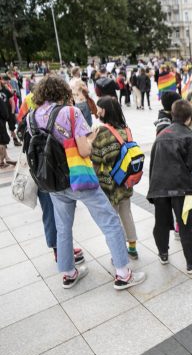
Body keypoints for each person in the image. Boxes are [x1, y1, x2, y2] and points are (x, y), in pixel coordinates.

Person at [27, 75, 145, 290]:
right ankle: (123, 273)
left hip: (52, 181)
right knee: (110, 221)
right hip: (78, 178)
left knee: (63, 228)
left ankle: (69, 273)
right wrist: (91, 138)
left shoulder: (32, 116)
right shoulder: (71, 113)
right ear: (62, 91)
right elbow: (84, 150)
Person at [147, 99, 192, 273]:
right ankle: (191, 262)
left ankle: (163, 253)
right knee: (186, 224)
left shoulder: (160, 135)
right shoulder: (189, 135)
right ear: (189, 118)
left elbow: (153, 164)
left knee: (161, 223)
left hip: (159, 188)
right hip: (182, 188)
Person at [91, 96, 139, 260]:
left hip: (109, 183)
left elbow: (96, 160)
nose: (96, 112)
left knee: (112, 218)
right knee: (127, 212)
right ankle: (132, 247)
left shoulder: (102, 132)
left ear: (104, 111)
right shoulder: (126, 129)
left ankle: (118, 253)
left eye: (98, 108)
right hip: (126, 180)